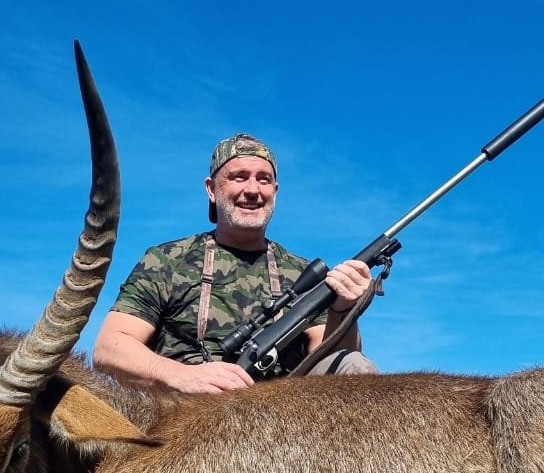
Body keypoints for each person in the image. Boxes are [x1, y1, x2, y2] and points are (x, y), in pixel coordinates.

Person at [93, 133, 377, 393]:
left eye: (263, 179)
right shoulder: (167, 260)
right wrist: (182, 375)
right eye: (239, 177)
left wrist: (344, 311)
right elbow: (108, 348)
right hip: (186, 414)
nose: (253, 189)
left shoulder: (304, 273)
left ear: (275, 191)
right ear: (212, 189)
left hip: (282, 412)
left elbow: (335, 363)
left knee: (355, 365)